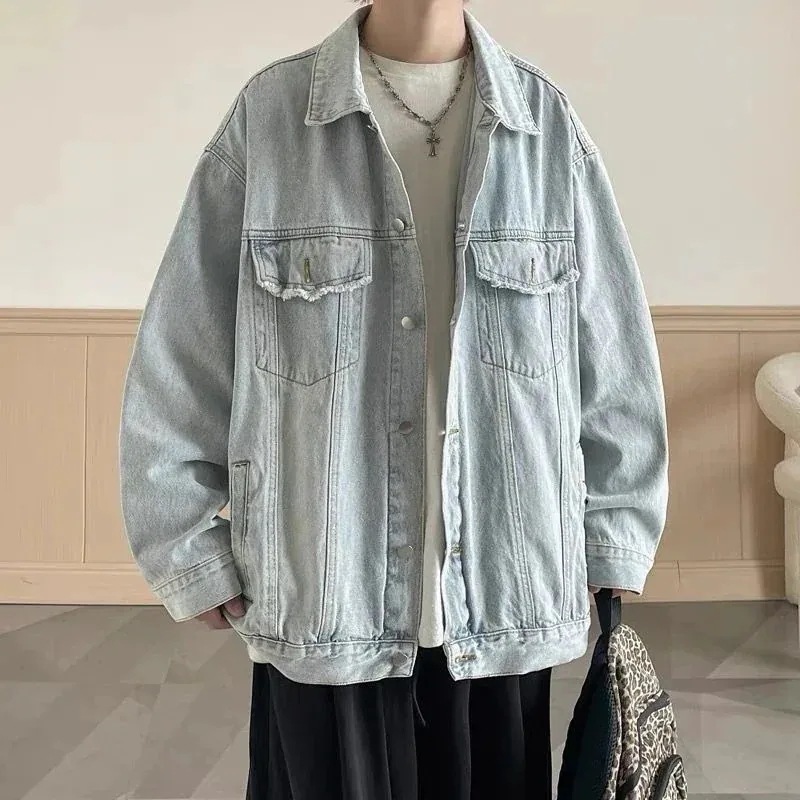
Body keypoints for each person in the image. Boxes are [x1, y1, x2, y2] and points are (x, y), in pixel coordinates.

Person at [118, 1, 669, 798]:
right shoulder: (272, 120)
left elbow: (614, 359)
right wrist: (184, 544)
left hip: (507, 588)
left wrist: (616, 533)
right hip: (324, 589)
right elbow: (183, 347)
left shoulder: (544, 127)